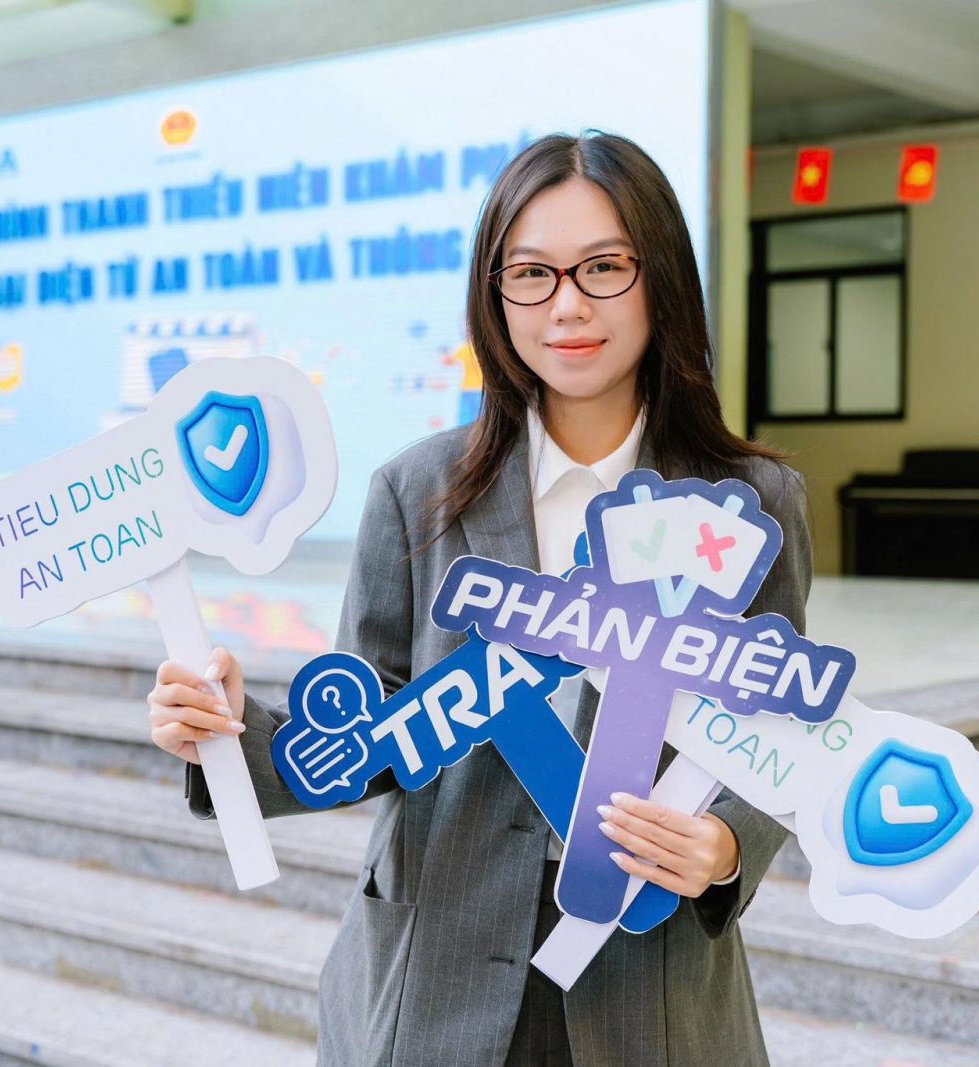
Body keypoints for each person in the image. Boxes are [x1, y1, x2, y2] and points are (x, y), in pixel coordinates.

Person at [148, 131, 810, 1066]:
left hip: (648, 982)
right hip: (440, 970)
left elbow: (780, 734)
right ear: (494, 295)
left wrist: (725, 845)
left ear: (660, 278)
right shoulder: (417, 492)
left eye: (604, 267)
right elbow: (373, 729)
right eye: (531, 274)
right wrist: (228, 730)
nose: (567, 305)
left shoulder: (753, 504)